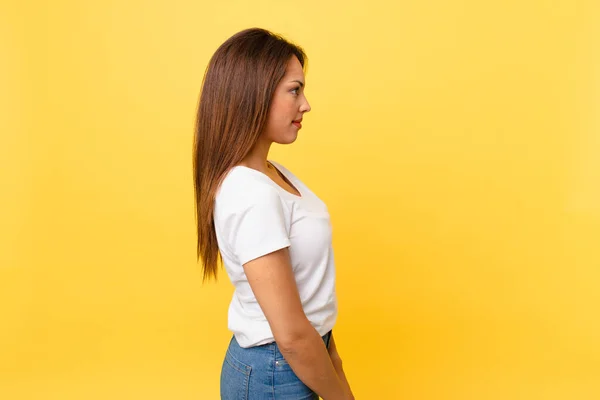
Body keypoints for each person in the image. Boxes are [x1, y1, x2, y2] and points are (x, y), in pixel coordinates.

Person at [193, 28, 355, 400]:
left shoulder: (272, 173)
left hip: (298, 362)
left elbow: (309, 299)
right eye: (294, 90)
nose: (306, 104)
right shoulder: (251, 193)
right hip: (277, 373)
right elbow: (292, 334)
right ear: (255, 94)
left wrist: (334, 359)